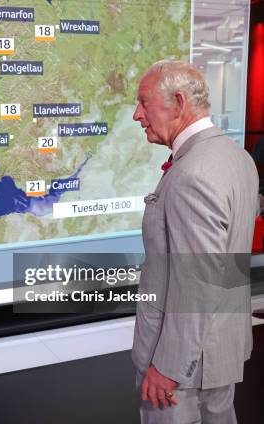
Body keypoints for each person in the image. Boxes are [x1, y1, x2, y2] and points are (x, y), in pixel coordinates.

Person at [132, 60, 258, 423]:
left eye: (144, 102)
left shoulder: (193, 173)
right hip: (221, 350)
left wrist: (169, 367)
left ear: (179, 102)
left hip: (183, 366)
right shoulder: (237, 157)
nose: (137, 115)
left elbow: (196, 282)